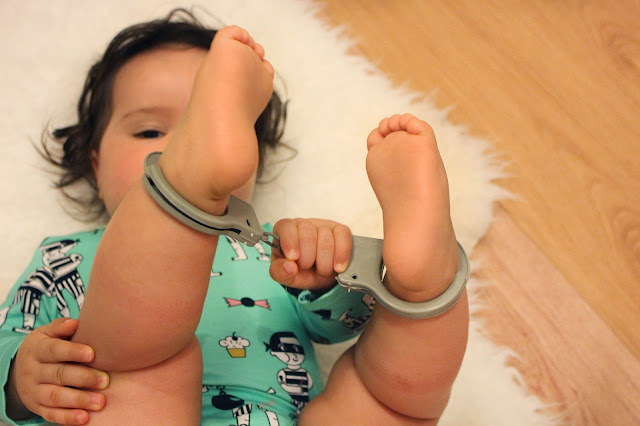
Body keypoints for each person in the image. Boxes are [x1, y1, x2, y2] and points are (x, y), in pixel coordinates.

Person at [0, 9, 468, 426]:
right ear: (96, 162)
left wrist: (328, 278)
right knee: (134, 363)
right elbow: (8, 340)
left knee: (381, 399)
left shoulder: (272, 249)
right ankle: (430, 294)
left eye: (202, 127)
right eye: (150, 131)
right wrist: (20, 375)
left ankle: (422, 289)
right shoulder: (64, 256)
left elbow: (341, 326)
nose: (172, 143)